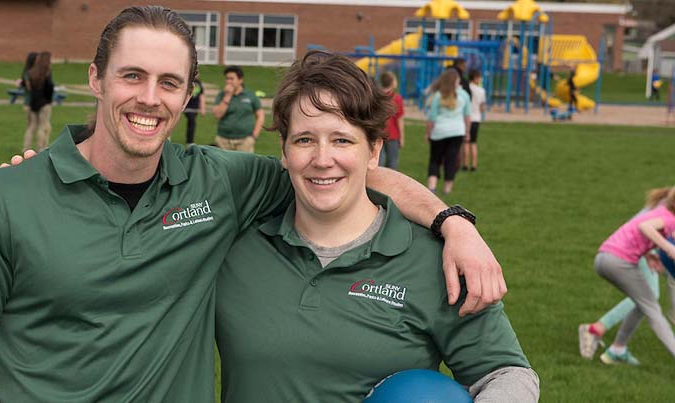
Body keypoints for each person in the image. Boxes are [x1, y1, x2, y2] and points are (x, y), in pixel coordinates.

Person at [0, 6, 506, 402]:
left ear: (189, 94)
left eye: (169, 82)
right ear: (97, 80)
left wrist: (453, 223)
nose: (149, 98)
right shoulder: (6, 200)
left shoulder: (220, 184)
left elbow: (347, 172)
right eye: (132, 75)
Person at [215, 50, 538, 403]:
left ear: (373, 151)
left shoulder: (435, 259)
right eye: (305, 139)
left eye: (342, 140)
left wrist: (454, 224)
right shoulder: (236, 244)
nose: (323, 160)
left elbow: (507, 373)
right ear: (284, 149)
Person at [582, 186, 675, 364]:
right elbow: (644, 227)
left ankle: (617, 349)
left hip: (604, 258)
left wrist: (649, 255)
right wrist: (668, 247)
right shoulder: (670, 219)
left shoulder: (661, 210)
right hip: (619, 263)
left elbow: (634, 232)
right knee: (653, 310)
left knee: (644, 302)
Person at [426, 69, 470, 195]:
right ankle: (447, 189)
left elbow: (432, 118)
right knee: (451, 159)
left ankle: (432, 186)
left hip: (439, 131)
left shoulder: (438, 96)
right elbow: (467, 116)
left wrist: (428, 133)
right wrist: (467, 131)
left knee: (435, 159)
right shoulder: (464, 95)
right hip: (457, 131)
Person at [213, 65, 263, 152]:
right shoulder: (222, 95)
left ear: (240, 80)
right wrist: (228, 95)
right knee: (224, 165)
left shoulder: (250, 95)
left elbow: (260, 116)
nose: (228, 81)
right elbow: (217, 115)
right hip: (223, 141)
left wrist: (254, 136)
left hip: (244, 141)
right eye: (227, 78)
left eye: (232, 79)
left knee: (244, 165)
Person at [22, 51, 54, 151]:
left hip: (33, 102)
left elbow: (28, 87)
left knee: (31, 126)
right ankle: (40, 148)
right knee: (42, 126)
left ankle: (26, 148)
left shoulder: (31, 72)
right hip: (44, 102)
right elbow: (50, 87)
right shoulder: (46, 72)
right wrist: (49, 100)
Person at [379, 71, 404, 170]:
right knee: (392, 161)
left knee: (377, 160)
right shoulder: (397, 98)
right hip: (392, 134)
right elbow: (400, 119)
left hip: (378, 133)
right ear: (393, 83)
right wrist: (402, 137)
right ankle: (388, 184)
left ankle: (374, 184)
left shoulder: (376, 96)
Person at [462, 69, 485, 172]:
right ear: (475, 78)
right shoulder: (481, 91)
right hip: (476, 119)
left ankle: (465, 164)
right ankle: (474, 165)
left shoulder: (465, 89)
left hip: (466, 118)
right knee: (473, 143)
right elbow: (482, 107)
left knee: (466, 142)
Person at [184, 77, 205, 144]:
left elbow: (201, 95)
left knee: (192, 123)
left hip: (195, 108)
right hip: (187, 107)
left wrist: (202, 108)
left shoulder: (199, 83)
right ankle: (189, 141)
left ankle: (189, 141)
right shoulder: (187, 80)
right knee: (191, 121)